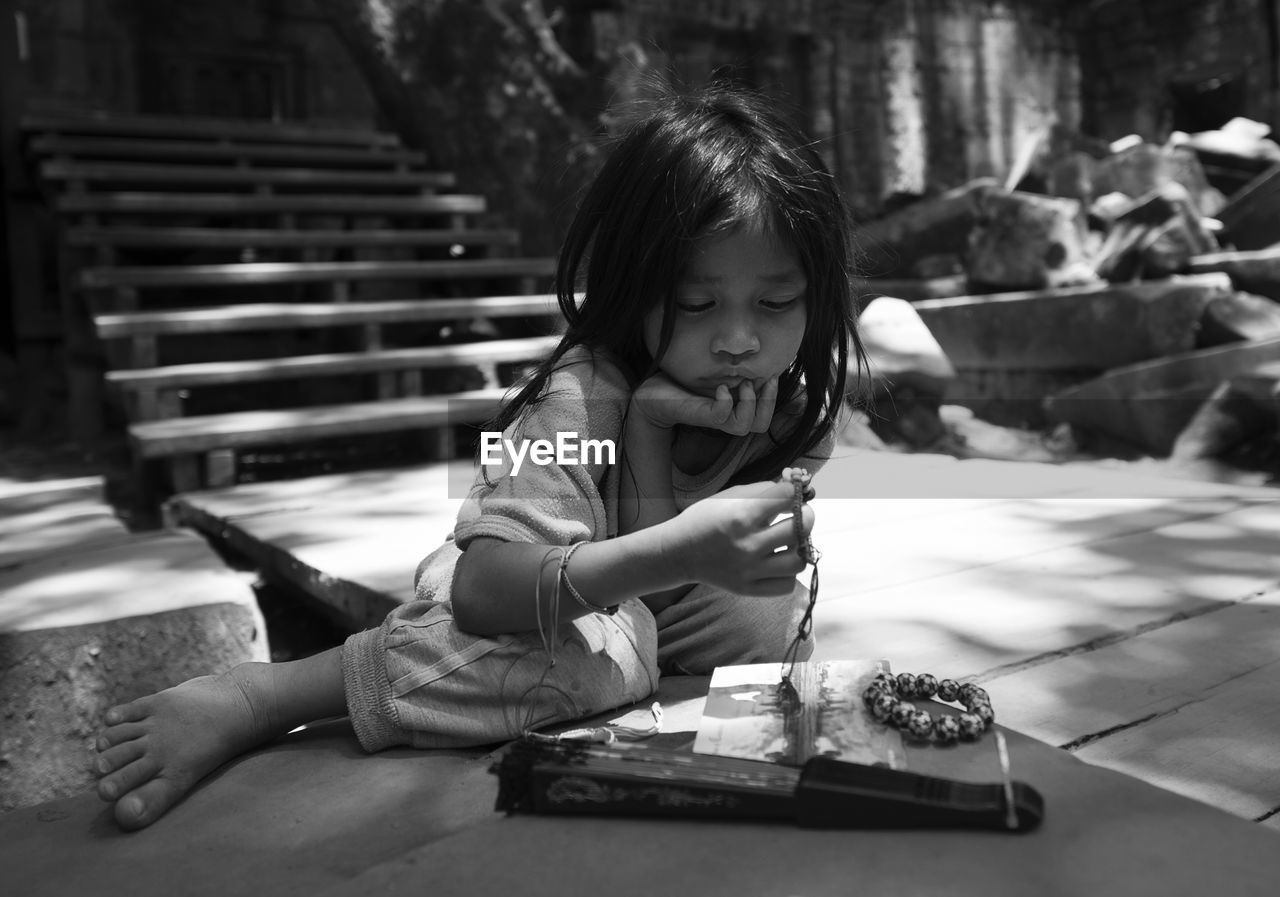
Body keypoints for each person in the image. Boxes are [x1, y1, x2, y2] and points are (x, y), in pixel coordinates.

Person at [93, 82, 866, 831]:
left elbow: (665, 595)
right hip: (500, 583)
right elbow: (484, 590)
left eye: (775, 302)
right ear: (635, 289)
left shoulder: (794, 417)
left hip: (623, 612)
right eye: (698, 304)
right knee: (584, 667)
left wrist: (651, 434)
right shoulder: (579, 400)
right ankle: (265, 695)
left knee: (760, 610)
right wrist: (661, 516)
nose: (740, 338)